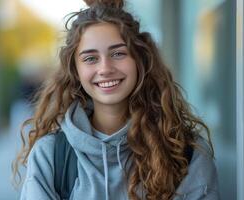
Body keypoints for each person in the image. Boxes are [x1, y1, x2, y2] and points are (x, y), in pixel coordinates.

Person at [13, 0, 220, 199]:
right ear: (75, 71)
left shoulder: (184, 154)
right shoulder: (50, 155)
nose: (105, 69)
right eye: (90, 58)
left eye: (118, 53)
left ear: (141, 60)